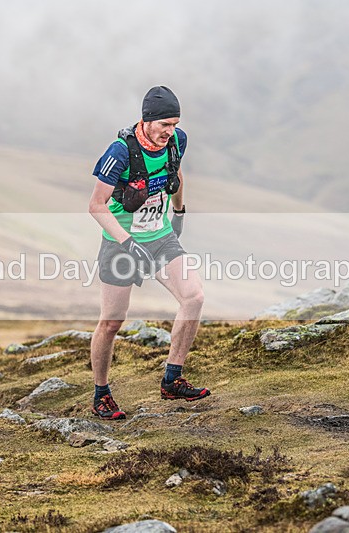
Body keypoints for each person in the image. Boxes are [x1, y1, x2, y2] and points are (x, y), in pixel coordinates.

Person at [87, 86, 209, 420]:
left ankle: (172, 379)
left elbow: (176, 173)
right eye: (164, 125)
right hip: (120, 243)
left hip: (160, 237)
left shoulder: (177, 141)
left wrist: (179, 213)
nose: (170, 132)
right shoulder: (120, 152)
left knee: (194, 297)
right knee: (112, 322)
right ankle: (101, 394)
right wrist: (127, 242)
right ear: (147, 120)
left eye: (175, 125)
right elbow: (96, 206)